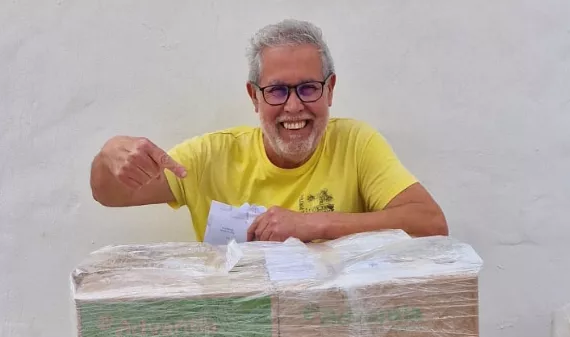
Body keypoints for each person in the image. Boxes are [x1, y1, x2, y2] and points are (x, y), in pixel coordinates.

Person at [89, 19, 448, 243]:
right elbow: (109, 194)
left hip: (335, 333)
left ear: (330, 90)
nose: (294, 106)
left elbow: (430, 223)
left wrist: (314, 225)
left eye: (308, 88)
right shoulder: (210, 157)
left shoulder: (356, 144)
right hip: (238, 333)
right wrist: (109, 156)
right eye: (277, 91)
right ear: (254, 97)